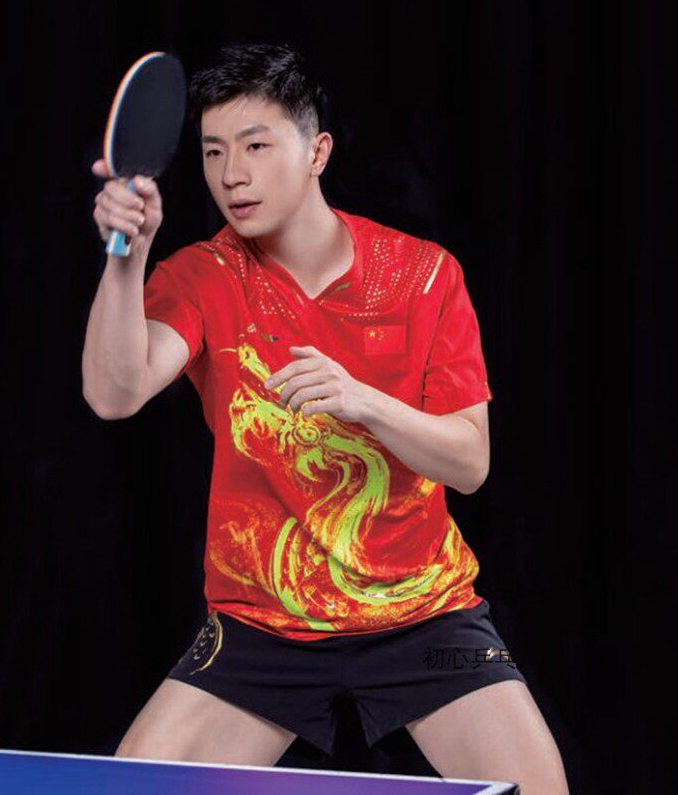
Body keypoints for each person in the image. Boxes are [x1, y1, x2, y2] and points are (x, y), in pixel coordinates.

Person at [82, 42, 569, 794]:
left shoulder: (424, 274)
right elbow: (114, 394)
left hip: (423, 615)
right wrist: (127, 258)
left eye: (255, 146)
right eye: (213, 151)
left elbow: (470, 463)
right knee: (128, 791)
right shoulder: (206, 275)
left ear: (318, 152)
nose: (231, 174)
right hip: (260, 626)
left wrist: (362, 401)